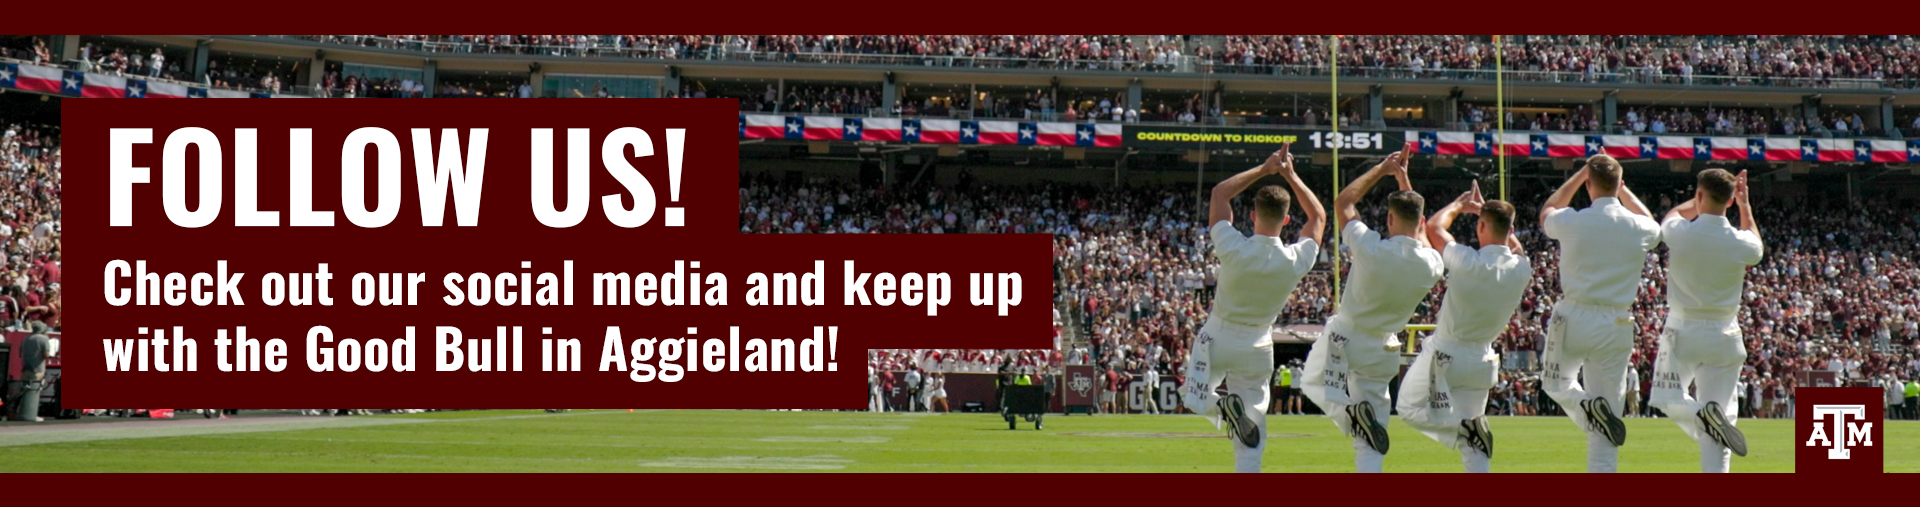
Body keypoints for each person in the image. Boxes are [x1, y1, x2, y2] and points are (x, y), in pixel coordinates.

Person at [1178, 144, 1324, 473]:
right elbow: (1317, 217)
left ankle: (1221, 407)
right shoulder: (1295, 259)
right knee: (1252, 430)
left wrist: (1264, 168)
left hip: (1217, 334)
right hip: (1258, 343)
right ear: (1287, 220)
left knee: (1192, 394)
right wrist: (1291, 174)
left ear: (1253, 215)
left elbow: (1219, 195)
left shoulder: (1233, 246)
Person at [1302, 143, 1444, 473]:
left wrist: (1382, 169)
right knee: (1374, 433)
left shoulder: (1372, 246)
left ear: (1390, 218)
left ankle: (1352, 415)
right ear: (1421, 220)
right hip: (1385, 345)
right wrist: (1403, 182)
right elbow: (1418, 229)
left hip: (1347, 334)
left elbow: (1343, 203)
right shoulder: (1432, 263)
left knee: (1312, 384)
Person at [1396, 181, 1530, 473]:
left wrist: (1461, 205)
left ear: (1481, 227)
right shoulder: (1522, 268)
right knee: (1475, 446)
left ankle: (1461, 428)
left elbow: (1433, 227)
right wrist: (1487, 214)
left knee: (1408, 408)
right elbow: (1516, 247)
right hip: (1483, 357)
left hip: (1446, 352)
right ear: (1510, 231)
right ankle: (1469, 430)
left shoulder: (1467, 260)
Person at [1538, 154, 1660, 473]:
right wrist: (1621, 188)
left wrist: (1580, 175)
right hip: (1617, 321)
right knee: (1606, 434)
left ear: (1588, 185)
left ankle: (1587, 407)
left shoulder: (1574, 220)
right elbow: (1651, 223)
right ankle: (1597, 411)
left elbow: (1547, 211)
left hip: (1573, 315)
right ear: (1619, 185)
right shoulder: (1638, 226)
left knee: (1554, 383)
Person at [1649, 168, 1763, 472]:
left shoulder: (1681, 232)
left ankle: (1702, 415)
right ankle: (1713, 419)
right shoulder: (1741, 242)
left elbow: (1672, 215)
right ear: (1729, 201)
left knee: (1665, 397)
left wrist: (1701, 199)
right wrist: (1744, 204)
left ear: (1699, 195)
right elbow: (1756, 243)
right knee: (1720, 425)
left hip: (1682, 329)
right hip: (1726, 333)